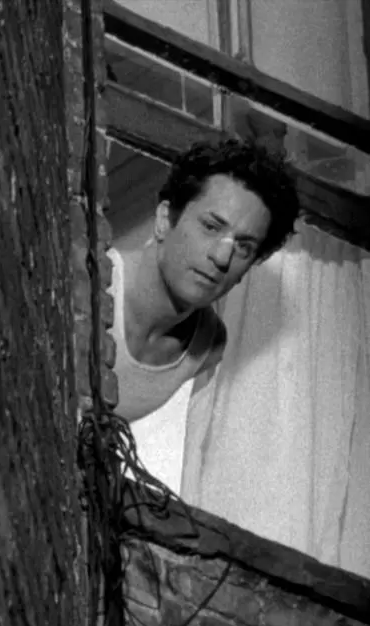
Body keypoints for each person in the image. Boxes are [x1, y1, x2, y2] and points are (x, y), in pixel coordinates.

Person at [109, 138, 300, 422]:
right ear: (164, 219)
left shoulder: (207, 346)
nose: (223, 257)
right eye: (211, 226)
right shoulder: (93, 281)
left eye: (244, 247)